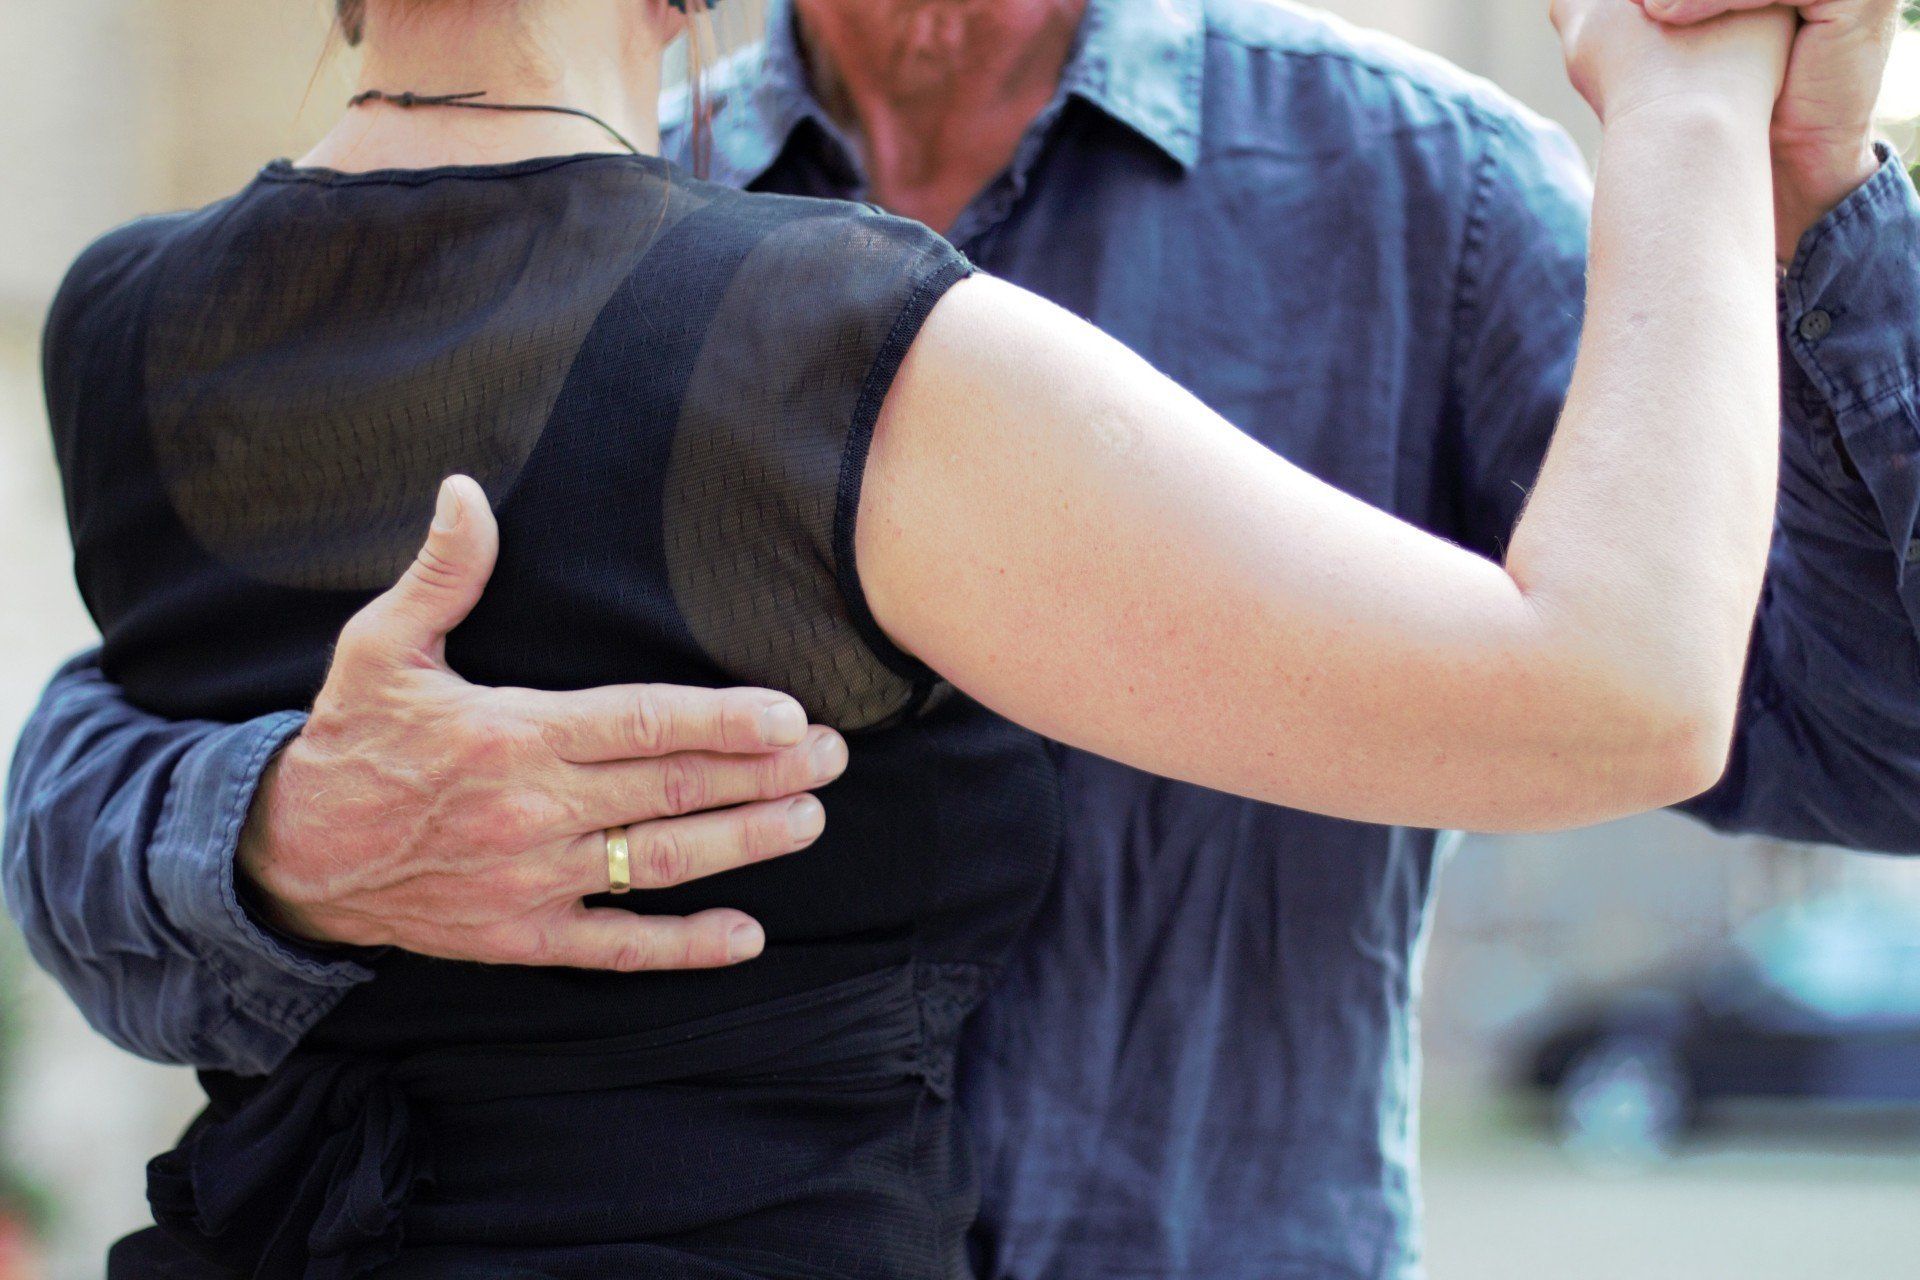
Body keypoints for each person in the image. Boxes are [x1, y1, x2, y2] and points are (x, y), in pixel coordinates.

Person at [7, 0, 1919, 1278]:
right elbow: (101, 779)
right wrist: (269, 834)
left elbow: (1863, 737)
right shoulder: (636, 265)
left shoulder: (1424, 195)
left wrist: (1808, 201)